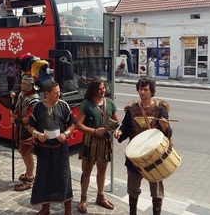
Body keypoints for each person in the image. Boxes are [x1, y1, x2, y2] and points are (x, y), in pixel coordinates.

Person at [114, 77, 172, 215]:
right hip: (135, 156)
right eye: (140, 89)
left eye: (146, 89)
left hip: (155, 156)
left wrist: (165, 127)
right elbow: (126, 127)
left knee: (156, 191)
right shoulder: (132, 110)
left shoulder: (160, 110)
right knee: (133, 189)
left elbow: (167, 134)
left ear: (152, 91)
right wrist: (120, 132)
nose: (142, 92)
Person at [27, 80, 76, 215]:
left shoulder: (63, 106)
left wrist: (65, 134)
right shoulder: (38, 107)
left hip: (60, 149)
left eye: (59, 92)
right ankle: (45, 208)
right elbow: (30, 126)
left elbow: (72, 124)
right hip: (43, 149)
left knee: (64, 177)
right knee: (43, 178)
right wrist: (37, 134)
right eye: (55, 93)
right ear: (46, 93)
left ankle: (68, 210)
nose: (58, 95)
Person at [76, 78, 119, 213]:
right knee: (87, 171)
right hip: (90, 141)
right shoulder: (86, 104)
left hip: (105, 142)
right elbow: (79, 125)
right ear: (93, 90)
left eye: (104, 88)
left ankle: (100, 196)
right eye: (100, 89)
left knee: (102, 170)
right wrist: (94, 131)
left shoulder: (110, 103)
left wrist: (115, 131)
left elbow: (117, 121)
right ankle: (83, 198)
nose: (103, 91)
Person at [9, 75, 41, 191]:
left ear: (29, 85)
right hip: (21, 128)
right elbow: (18, 109)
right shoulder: (22, 95)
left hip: (28, 129)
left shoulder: (34, 100)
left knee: (27, 153)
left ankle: (29, 178)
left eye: (23, 83)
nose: (21, 85)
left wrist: (16, 120)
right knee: (21, 150)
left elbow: (30, 118)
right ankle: (28, 171)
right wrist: (14, 113)